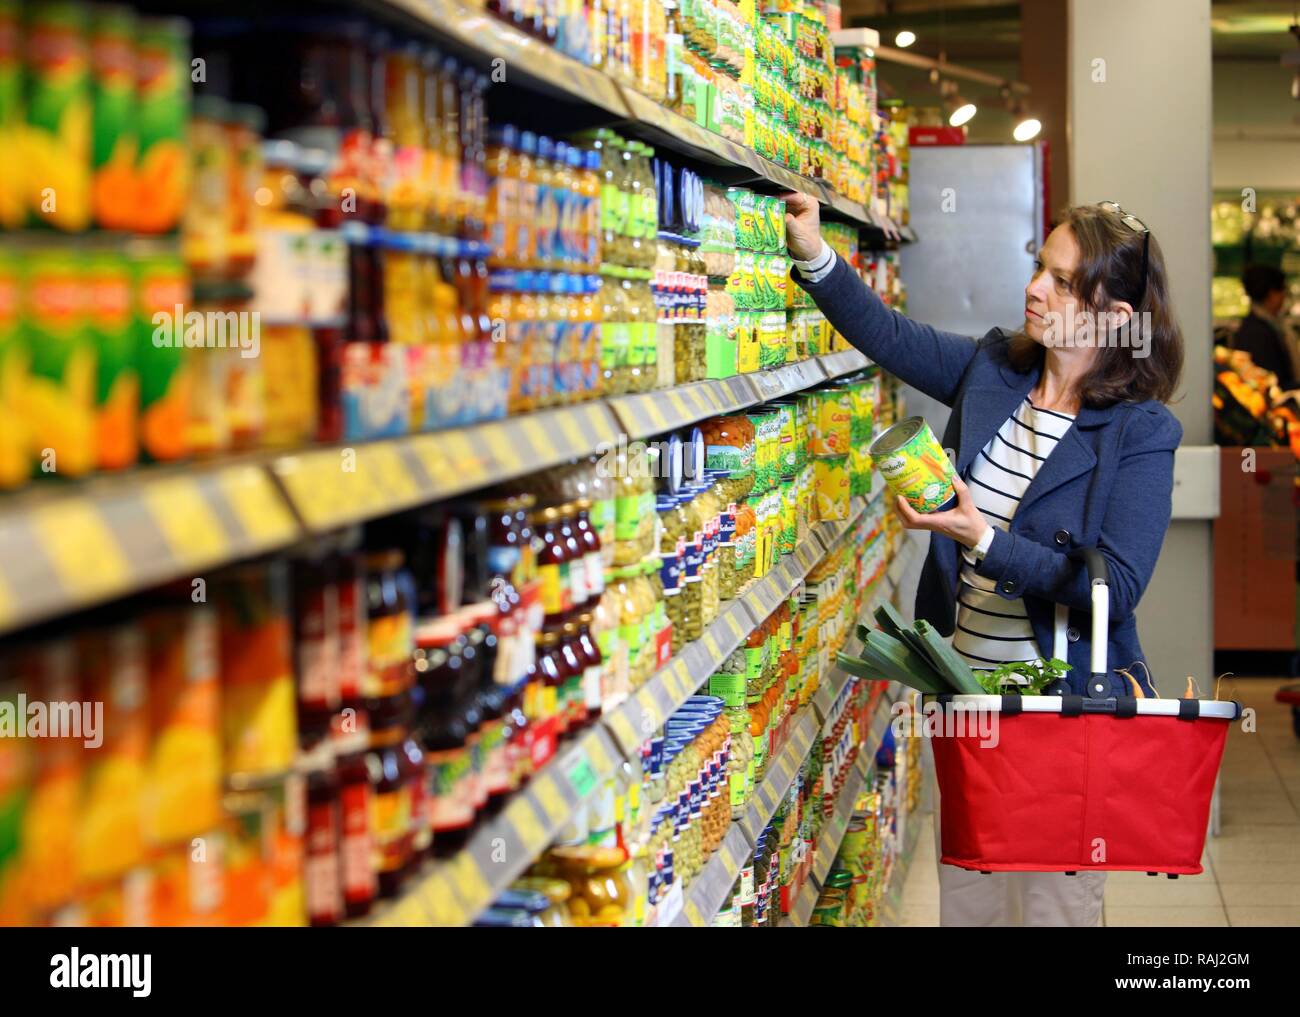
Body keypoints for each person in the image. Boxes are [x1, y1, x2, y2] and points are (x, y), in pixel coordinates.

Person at [783, 194, 1185, 927]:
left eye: (1064, 283)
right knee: (969, 906)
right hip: (967, 706)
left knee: (1050, 910)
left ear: (1117, 316)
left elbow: (1117, 588)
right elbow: (888, 334)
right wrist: (813, 251)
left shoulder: (1141, 431)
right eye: (1041, 268)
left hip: (1058, 714)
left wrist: (983, 539)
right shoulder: (994, 369)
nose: (1036, 288)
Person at [1234, 264, 1295, 389]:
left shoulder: (1259, 325)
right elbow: (1273, 381)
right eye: (1283, 291)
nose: (1284, 297)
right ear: (1272, 295)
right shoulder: (1259, 331)